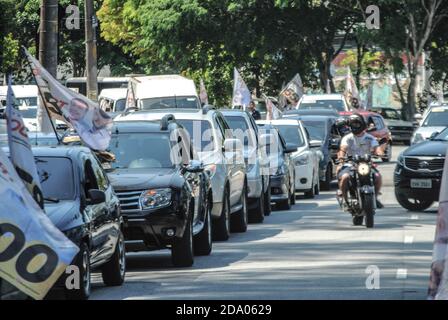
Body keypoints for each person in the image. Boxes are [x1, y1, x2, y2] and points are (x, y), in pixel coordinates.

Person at [336, 114, 387, 209]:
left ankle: (374, 198)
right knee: (345, 177)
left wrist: (380, 153)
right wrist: (342, 157)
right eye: (352, 124)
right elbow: (343, 149)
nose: (355, 126)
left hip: (366, 164)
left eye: (356, 124)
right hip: (351, 164)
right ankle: (345, 200)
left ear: (362, 124)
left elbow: (376, 147)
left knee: (378, 176)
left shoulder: (369, 137)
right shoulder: (348, 138)